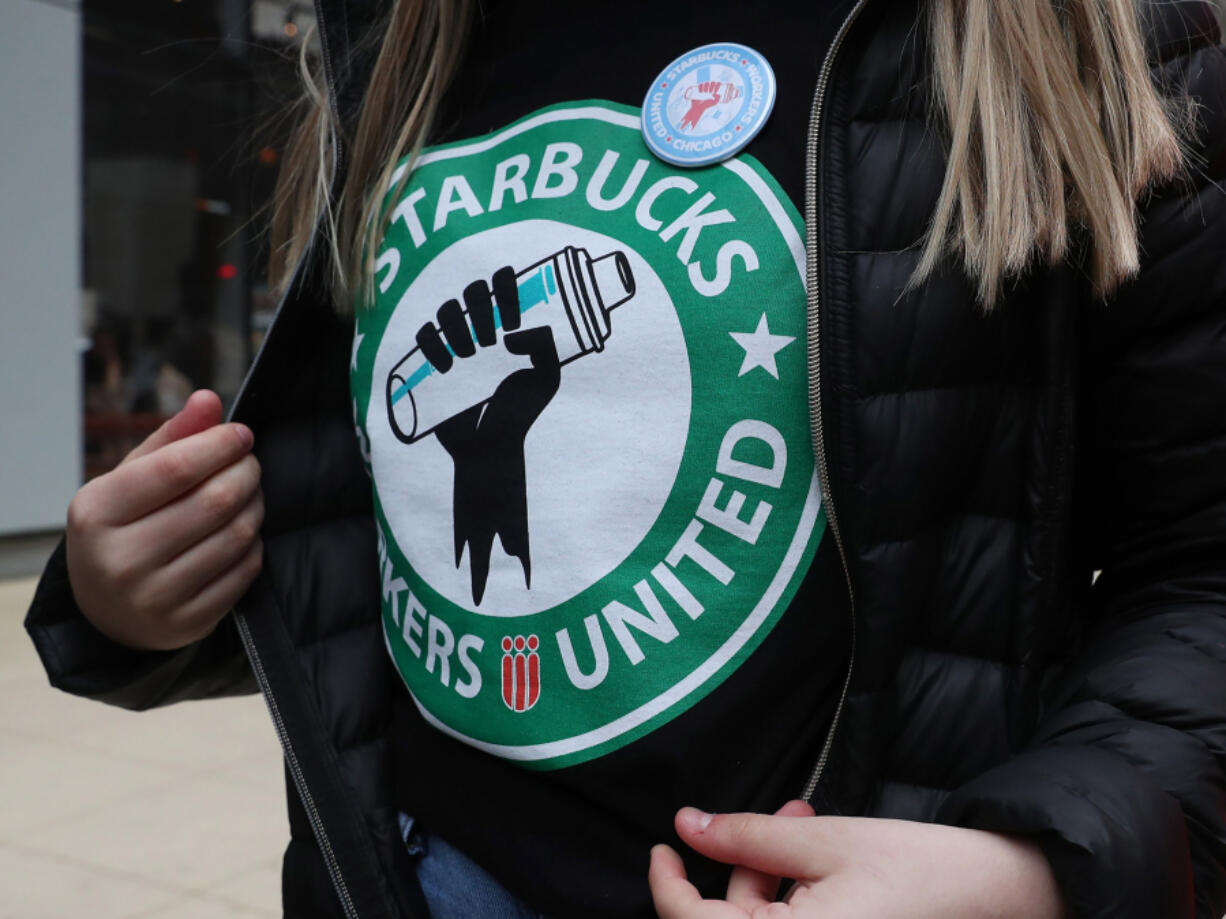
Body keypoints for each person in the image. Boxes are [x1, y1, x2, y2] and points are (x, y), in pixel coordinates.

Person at [25, 0, 1226, 917]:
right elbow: (372, 533)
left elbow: (1201, 571)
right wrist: (130, 603)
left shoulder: (1091, 37)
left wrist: (1031, 865)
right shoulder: (401, 42)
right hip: (416, 876)